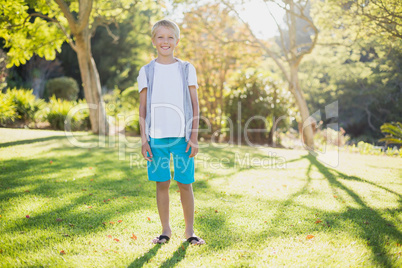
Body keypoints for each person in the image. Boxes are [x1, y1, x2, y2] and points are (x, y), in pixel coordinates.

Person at [137, 19, 205, 245]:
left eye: (170, 37)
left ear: (176, 40)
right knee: (162, 183)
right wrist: (144, 140)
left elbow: (195, 104)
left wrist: (194, 136)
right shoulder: (146, 71)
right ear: (153, 41)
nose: (165, 41)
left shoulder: (186, 69)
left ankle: (190, 231)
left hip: (183, 138)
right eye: (160, 37)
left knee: (185, 183)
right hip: (156, 138)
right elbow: (143, 108)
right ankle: (166, 230)